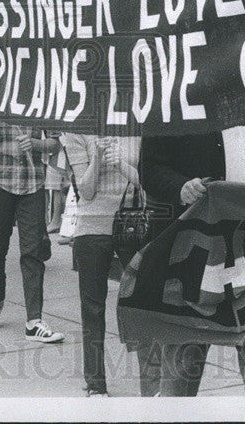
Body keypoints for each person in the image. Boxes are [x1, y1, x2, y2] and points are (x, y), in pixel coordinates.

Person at [138, 123, 245, 397]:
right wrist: (181, 187)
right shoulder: (176, 104)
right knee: (182, 365)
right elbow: (149, 170)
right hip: (194, 256)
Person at [62, 134, 140, 396]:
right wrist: (96, 157)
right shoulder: (75, 133)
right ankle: (96, 384)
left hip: (132, 225)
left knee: (142, 302)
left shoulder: (135, 125)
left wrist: (121, 166)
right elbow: (85, 191)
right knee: (93, 308)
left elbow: (148, 179)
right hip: (92, 228)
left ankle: (153, 382)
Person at [0, 118, 65, 343]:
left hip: (33, 183)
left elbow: (55, 143)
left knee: (32, 252)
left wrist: (36, 144)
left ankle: (34, 321)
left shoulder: (40, 100)